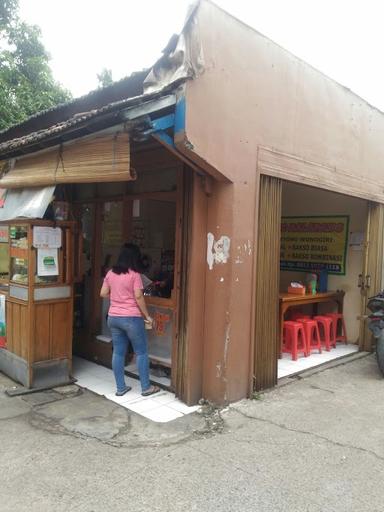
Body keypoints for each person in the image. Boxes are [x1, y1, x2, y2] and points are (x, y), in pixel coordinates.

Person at [100, 244, 160, 397]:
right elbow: (139, 297)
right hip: (131, 318)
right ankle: (146, 388)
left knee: (118, 353)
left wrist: (116, 299)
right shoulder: (135, 275)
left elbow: (103, 293)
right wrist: (147, 316)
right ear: (135, 258)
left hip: (113, 317)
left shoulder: (111, 273)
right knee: (141, 352)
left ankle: (121, 388)